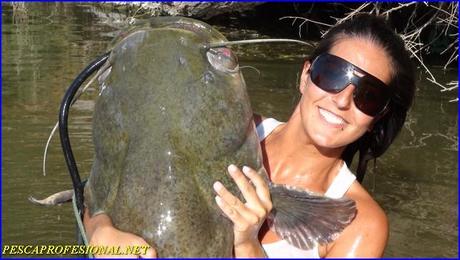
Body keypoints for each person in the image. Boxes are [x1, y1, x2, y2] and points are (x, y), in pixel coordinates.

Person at [84, 13, 416, 258]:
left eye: (368, 95)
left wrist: (248, 244)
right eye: (332, 73)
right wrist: (100, 229)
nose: (342, 100)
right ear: (306, 75)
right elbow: (101, 188)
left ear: (378, 116)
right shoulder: (222, 124)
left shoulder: (362, 224)